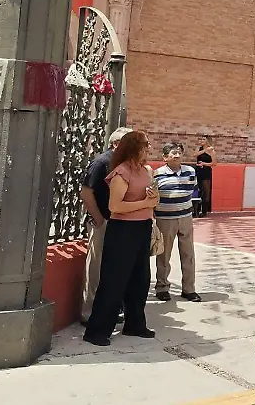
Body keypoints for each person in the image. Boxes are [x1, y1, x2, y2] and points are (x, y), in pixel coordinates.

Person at [84, 130, 160, 347]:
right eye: (145, 144)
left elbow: (150, 197)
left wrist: (153, 199)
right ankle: (97, 330)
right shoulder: (121, 172)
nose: (148, 148)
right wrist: (146, 204)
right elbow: (115, 206)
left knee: (140, 279)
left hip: (142, 228)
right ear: (133, 147)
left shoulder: (146, 170)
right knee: (114, 281)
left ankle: (135, 324)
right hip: (123, 231)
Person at [80, 126, 132, 325]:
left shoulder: (126, 164)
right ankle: (89, 312)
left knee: (114, 268)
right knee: (95, 269)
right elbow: (86, 192)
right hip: (104, 222)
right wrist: (99, 219)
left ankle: (109, 309)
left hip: (120, 223)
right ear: (116, 143)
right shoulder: (102, 162)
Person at [153, 142, 201, 302]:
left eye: (179, 152)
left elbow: (192, 189)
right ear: (165, 157)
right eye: (173, 153)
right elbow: (154, 195)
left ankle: (189, 289)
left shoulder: (190, 171)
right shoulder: (157, 174)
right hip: (165, 219)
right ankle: (162, 287)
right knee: (163, 254)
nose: (177, 155)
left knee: (188, 254)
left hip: (185, 217)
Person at [194, 137, 214, 217]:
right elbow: (195, 154)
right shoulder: (199, 149)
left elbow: (214, 163)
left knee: (206, 191)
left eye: (203, 139)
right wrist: (206, 150)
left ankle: (204, 211)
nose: (201, 141)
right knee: (198, 190)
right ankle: (196, 210)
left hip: (206, 172)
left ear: (207, 141)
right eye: (200, 139)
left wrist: (204, 164)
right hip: (198, 171)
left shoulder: (212, 151)